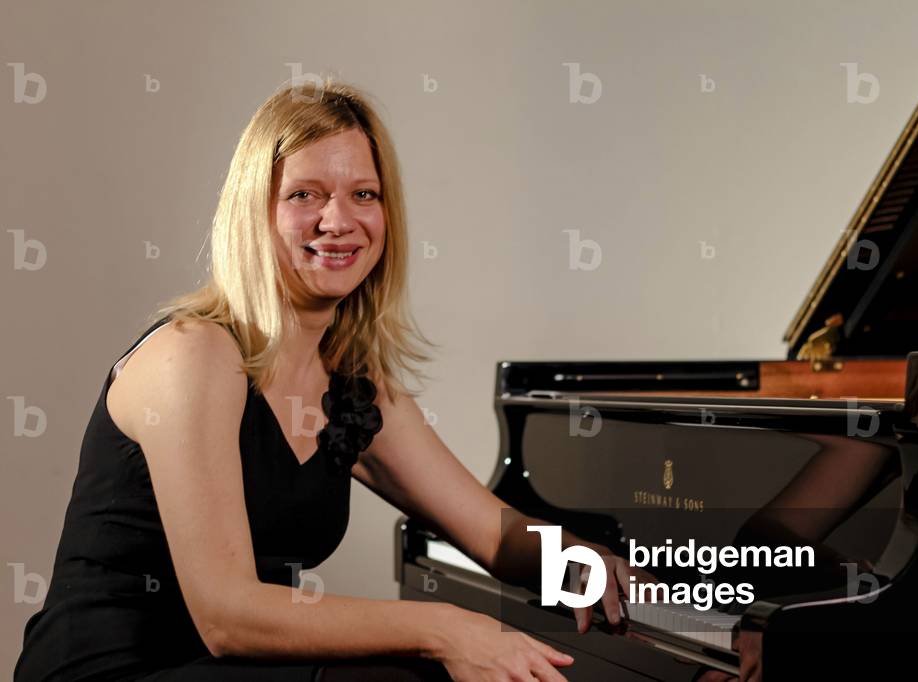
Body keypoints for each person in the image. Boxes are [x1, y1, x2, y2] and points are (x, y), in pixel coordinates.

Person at [14, 77, 635, 682]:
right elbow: (227, 616)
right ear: (255, 211)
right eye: (304, 194)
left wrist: (582, 563)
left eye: (364, 194)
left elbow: (494, 534)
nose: (338, 221)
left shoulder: (351, 386)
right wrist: (446, 628)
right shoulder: (194, 354)